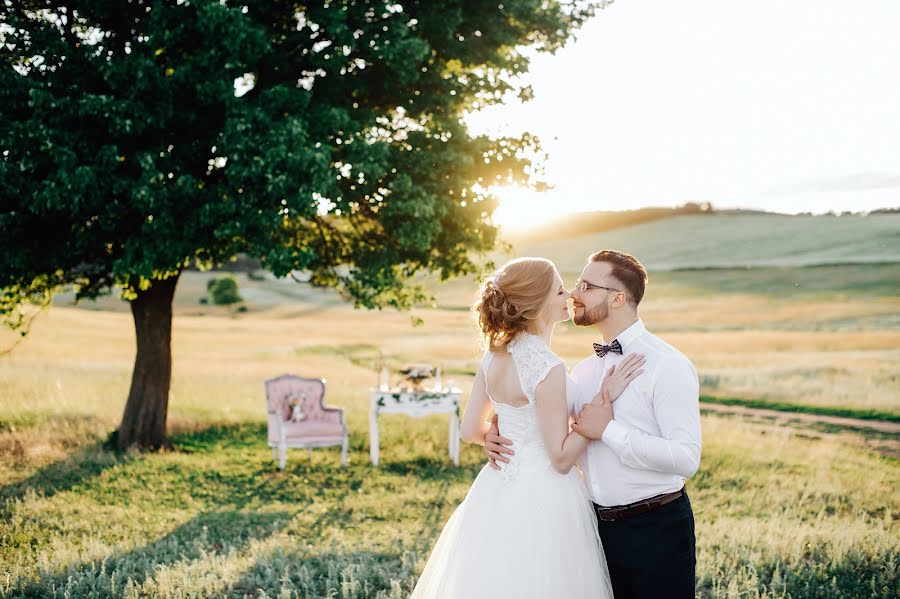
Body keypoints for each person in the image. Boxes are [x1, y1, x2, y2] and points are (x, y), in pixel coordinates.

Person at [410, 257, 643, 599]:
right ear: (537, 304)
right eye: (560, 290)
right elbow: (561, 458)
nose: (569, 296)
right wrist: (598, 410)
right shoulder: (547, 368)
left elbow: (468, 430)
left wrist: (492, 436)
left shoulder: (493, 355)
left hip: (497, 486)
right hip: (545, 494)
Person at [484, 249, 702, 599]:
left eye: (586, 285)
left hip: (655, 528)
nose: (573, 294)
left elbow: (686, 458)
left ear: (618, 298)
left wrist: (608, 431)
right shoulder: (582, 372)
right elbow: (549, 428)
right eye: (574, 284)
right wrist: (496, 430)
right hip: (591, 530)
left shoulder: (666, 365)